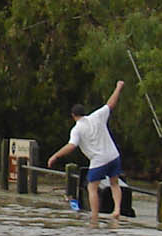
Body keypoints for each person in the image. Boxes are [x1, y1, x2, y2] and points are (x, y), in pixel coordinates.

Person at [48, 83, 126, 227]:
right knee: (115, 183)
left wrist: (55, 156)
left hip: (99, 160)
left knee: (92, 187)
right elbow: (111, 103)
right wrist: (118, 88)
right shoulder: (97, 116)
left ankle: (94, 216)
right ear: (85, 113)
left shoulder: (77, 129)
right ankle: (117, 209)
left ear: (73, 116)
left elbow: (71, 146)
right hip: (114, 155)